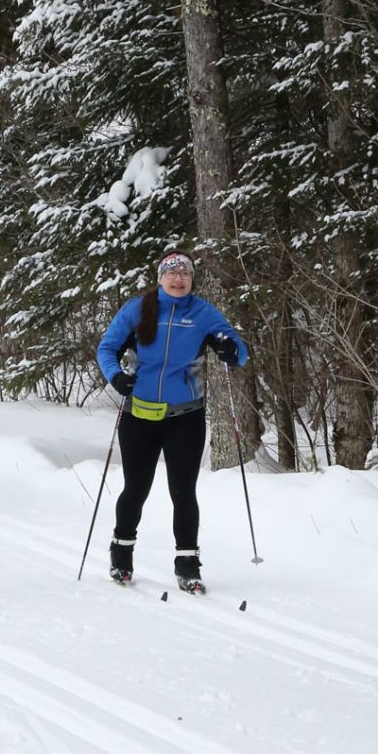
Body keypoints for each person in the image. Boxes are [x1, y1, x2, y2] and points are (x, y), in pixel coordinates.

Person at [96, 250, 249, 593]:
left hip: (186, 416)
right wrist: (116, 377)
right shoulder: (137, 310)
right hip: (139, 415)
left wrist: (230, 350)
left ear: (192, 280)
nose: (178, 279)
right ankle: (121, 555)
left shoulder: (202, 313)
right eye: (172, 273)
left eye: (185, 274)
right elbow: (106, 349)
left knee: (183, 492)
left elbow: (239, 351)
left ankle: (188, 566)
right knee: (136, 488)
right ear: (160, 278)